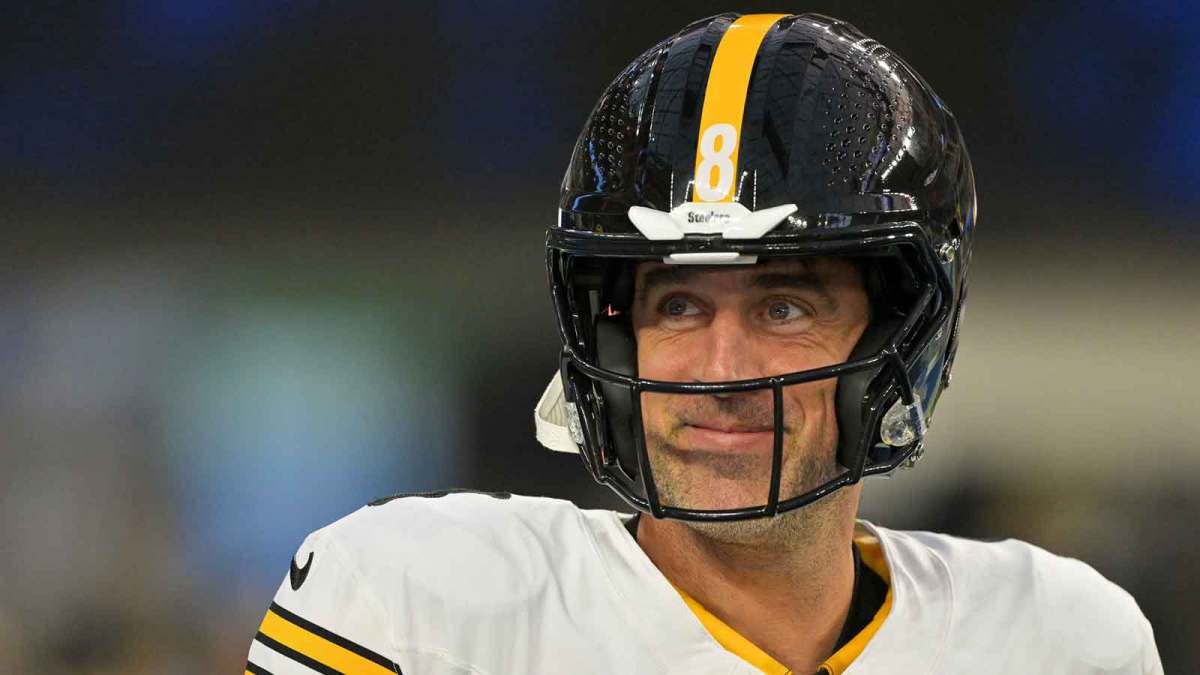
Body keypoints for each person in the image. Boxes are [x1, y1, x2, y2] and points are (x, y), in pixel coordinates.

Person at [246, 13, 1162, 674]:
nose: (721, 370)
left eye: (784, 307)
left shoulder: (1063, 639)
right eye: (679, 306)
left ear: (899, 335)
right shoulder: (418, 600)